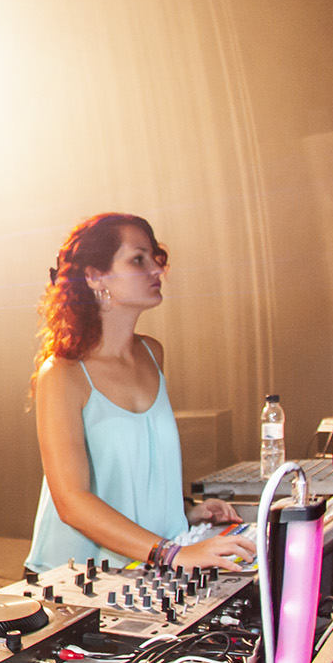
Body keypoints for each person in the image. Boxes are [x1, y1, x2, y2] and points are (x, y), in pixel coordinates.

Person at [25, 213, 257, 572]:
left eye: (155, 257)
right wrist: (173, 554)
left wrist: (184, 511)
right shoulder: (62, 374)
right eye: (138, 259)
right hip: (75, 579)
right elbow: (72, 502)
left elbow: (134, 471)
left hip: (148, 566)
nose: (156, 269)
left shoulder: (152, 352)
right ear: (95, 276)